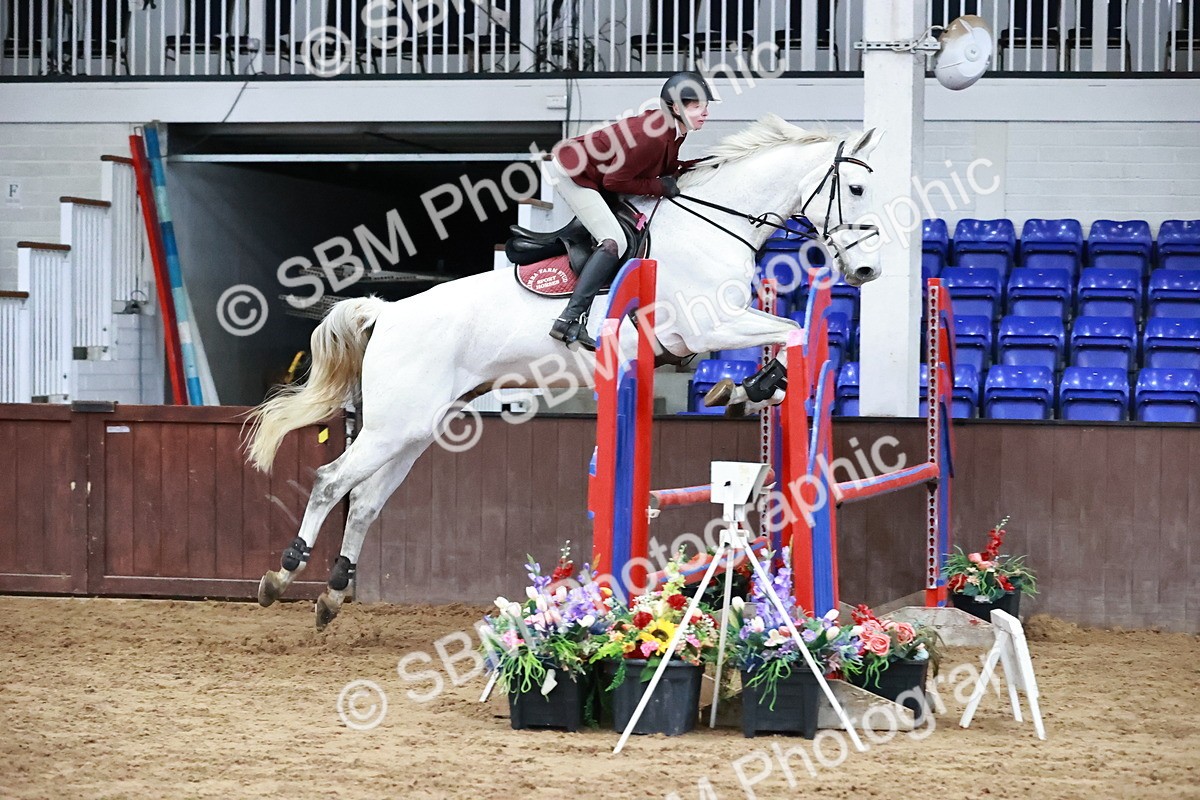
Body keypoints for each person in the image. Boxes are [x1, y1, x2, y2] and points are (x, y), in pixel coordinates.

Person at [545, 71, 715, 351]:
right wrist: (660, 187)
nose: (705, 113)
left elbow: (660, 168)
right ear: (675, 107)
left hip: (600, 174)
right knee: (614, 242)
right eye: (697, 107)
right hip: (574, 173)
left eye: (705, 106)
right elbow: (615, 181)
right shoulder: (654, 135)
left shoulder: (673, 131)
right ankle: (569, 318)